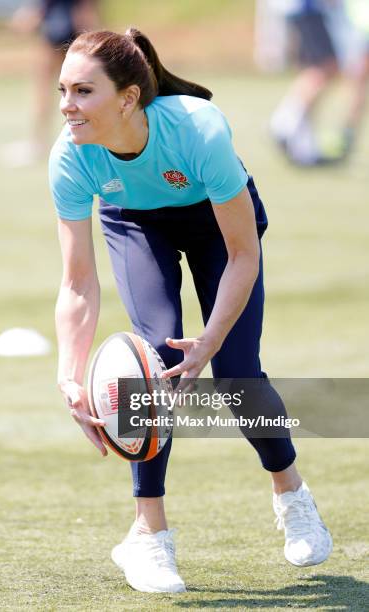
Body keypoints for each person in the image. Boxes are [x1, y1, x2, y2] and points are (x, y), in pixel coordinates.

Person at [50, 28, 333, 593]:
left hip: (217, 228)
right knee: (153, 363)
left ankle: (291, 495)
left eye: (83, 92)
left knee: (237, 375)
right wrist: (68, 375)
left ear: (128, 97)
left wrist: (211, 340)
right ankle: (148, 537)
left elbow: (242, 253)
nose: (67, 106)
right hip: (133, 221)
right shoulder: (71, 157)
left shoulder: (198, 128)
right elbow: (78, 283)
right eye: (63, 90)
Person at [1, 0, 99, 167]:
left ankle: (42, 143)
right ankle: (41, 142)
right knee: (70, 90)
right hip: (67, 30)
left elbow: (84, 9)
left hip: (67, 31)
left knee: (69, 90)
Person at [270, 0, 367, 165]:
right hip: (308, 8)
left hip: (309, 9)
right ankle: (284, 124)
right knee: (324, 67)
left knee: (321, 68)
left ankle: (298, 136)